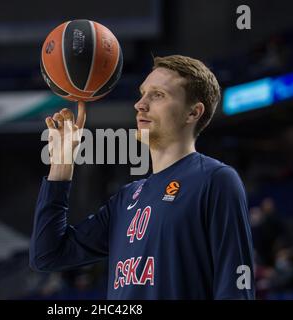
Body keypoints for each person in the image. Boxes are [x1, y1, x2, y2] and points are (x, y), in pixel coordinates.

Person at [30, 55, 255, 299]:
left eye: (157, 95)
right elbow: (47, 255)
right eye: (142, 93)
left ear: (193, 113)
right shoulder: (125, 199)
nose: (140, 104)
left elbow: (236, 290)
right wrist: (61, 166)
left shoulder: (215, 180)